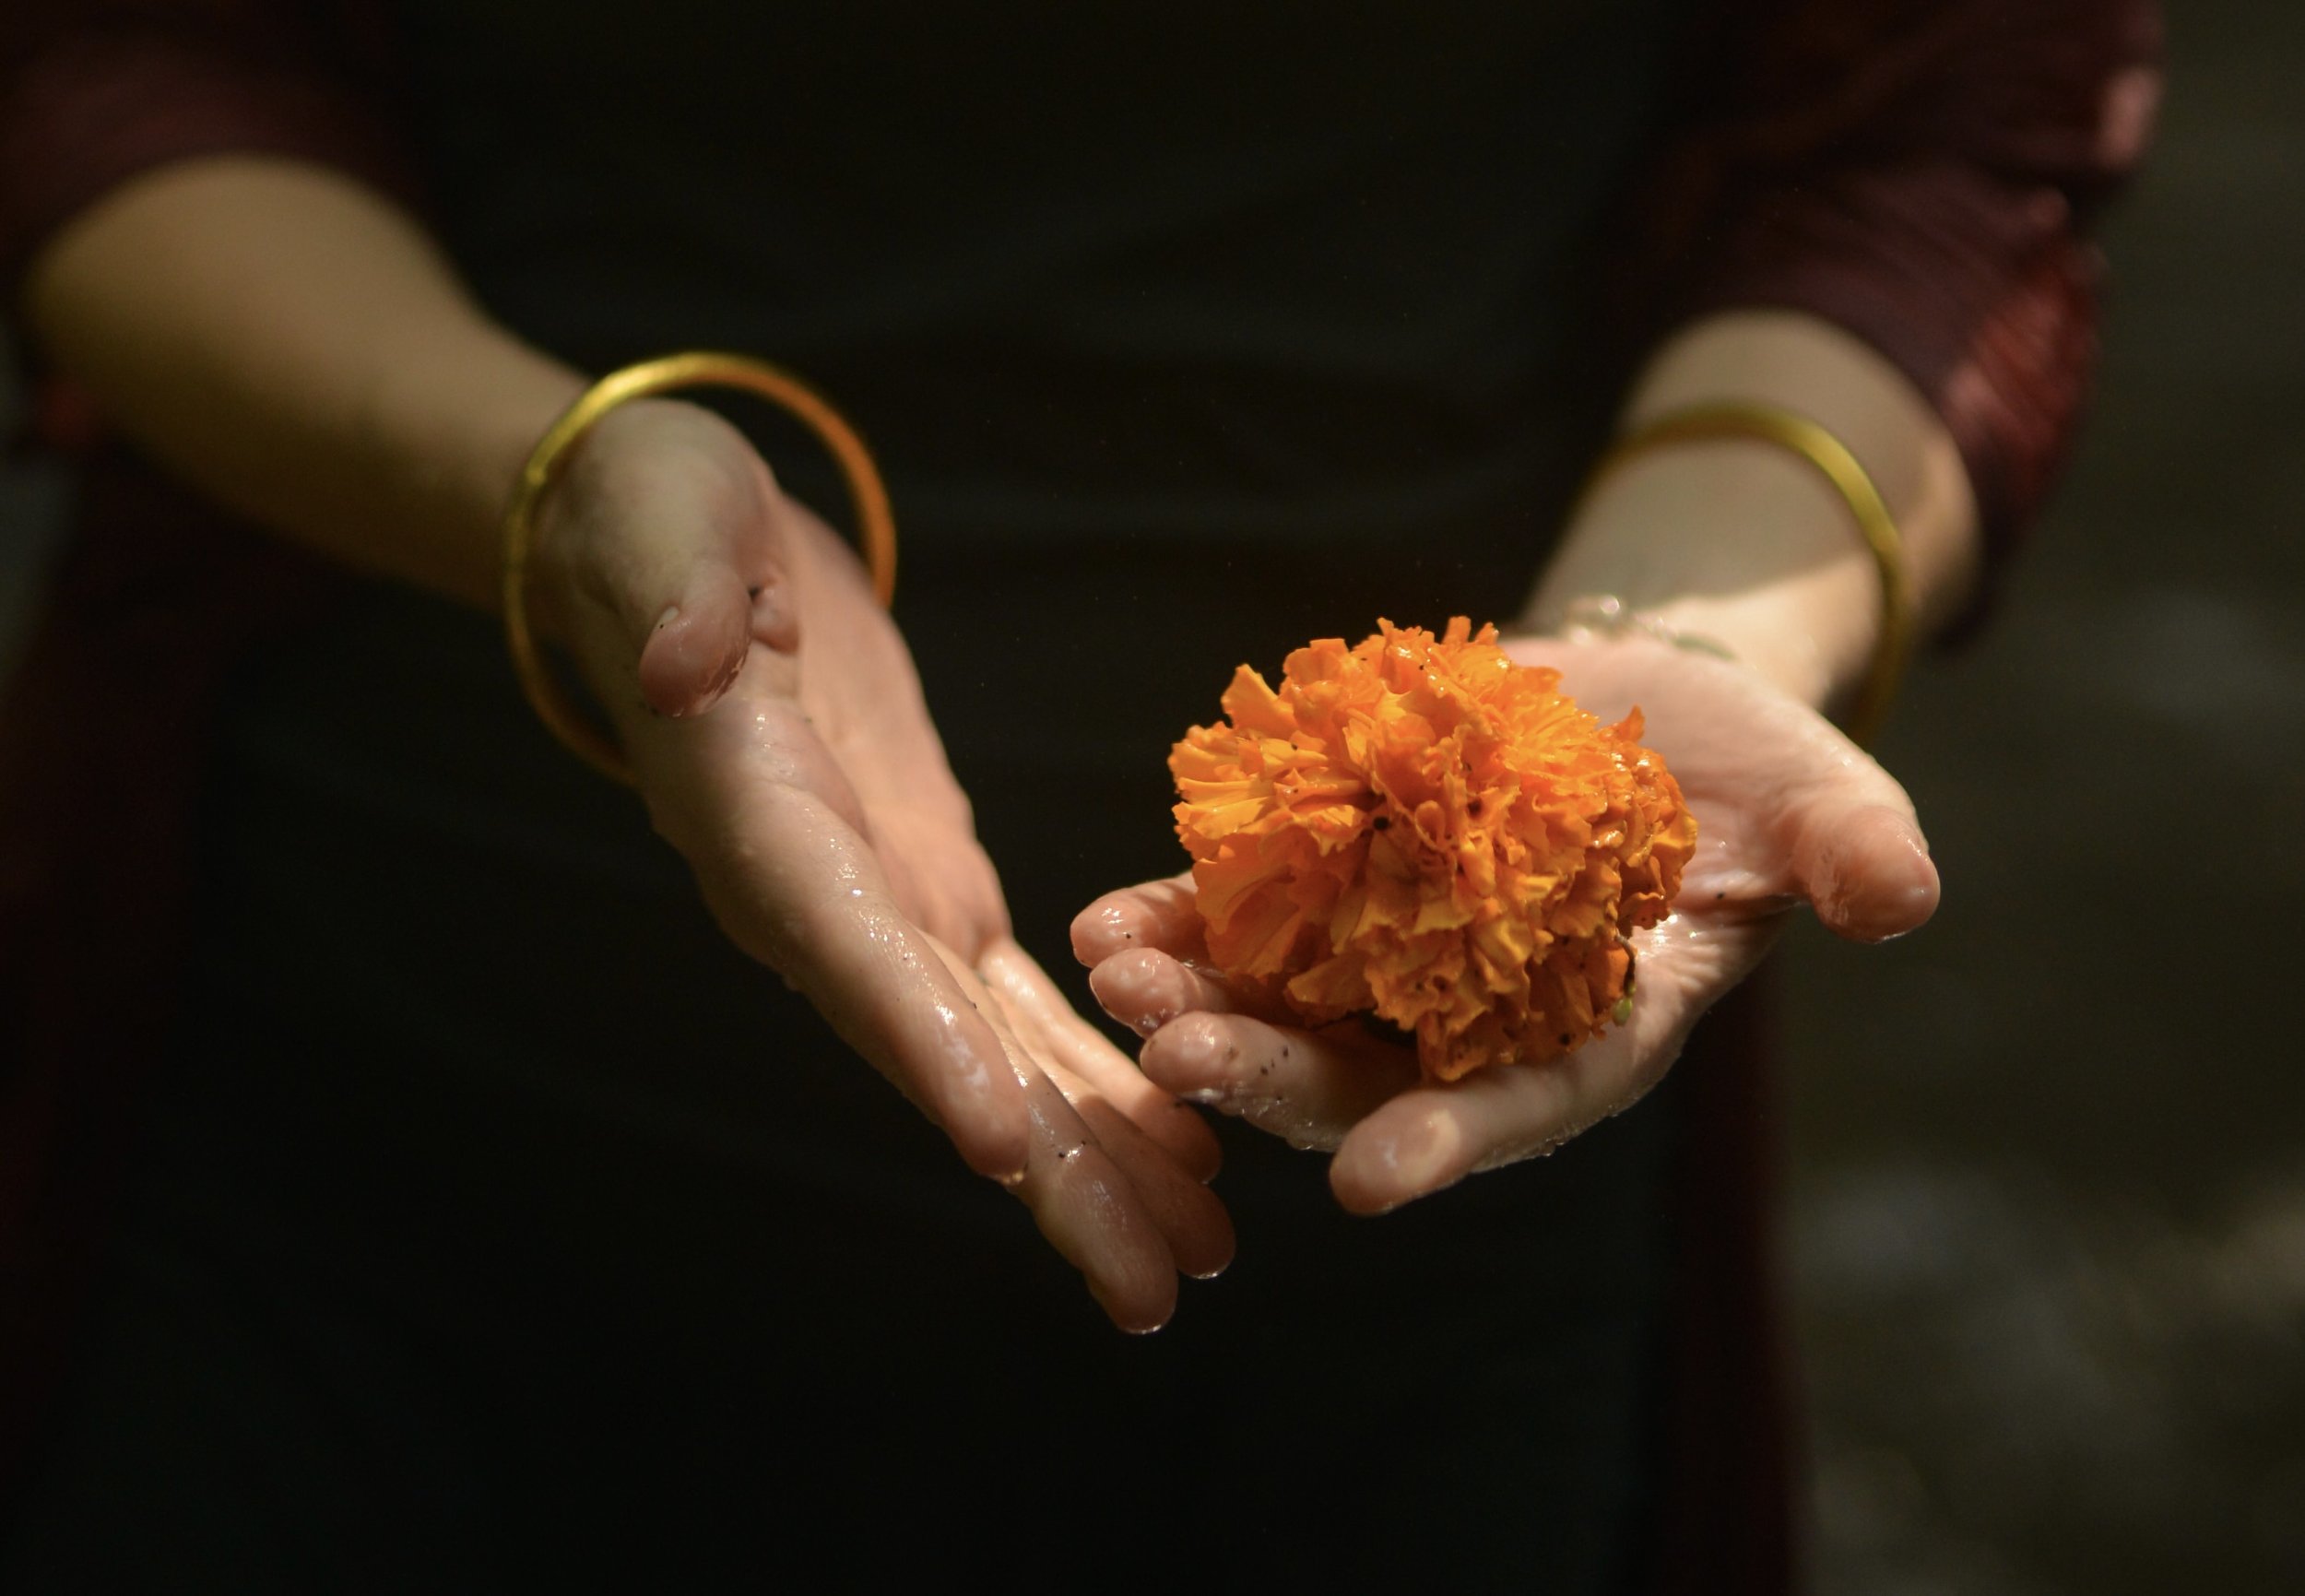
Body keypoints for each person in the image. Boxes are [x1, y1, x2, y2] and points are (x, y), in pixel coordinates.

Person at [0, 1, 2158, 1588]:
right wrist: (552, 479)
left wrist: (1690, 639)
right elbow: (129, 61)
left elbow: (1933, 135)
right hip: (375, 1103)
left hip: (1397, 1225)